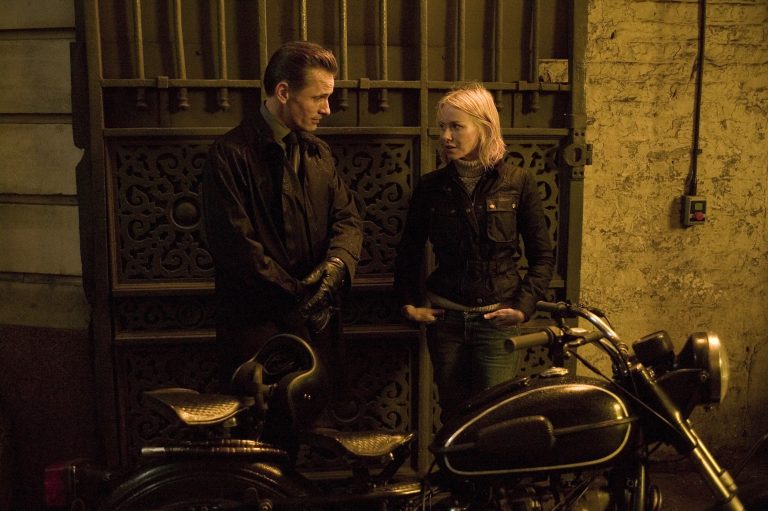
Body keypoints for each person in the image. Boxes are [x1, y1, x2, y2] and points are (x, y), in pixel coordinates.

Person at [202, 41, 364, 385]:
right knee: (263, 414)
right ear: (284, 92)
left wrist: (337, 266)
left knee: (317, 411)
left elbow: (348, 217)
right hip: (258, 331)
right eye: (318, 98)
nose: (327, 110)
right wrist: (301, 297)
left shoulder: (318, 151)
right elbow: (237, 247)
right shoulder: (230, 154)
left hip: (317, 325)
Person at [394, 82, 554, 421]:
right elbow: (408, 252)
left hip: (496, 323)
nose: (446, 136)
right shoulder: (431, 186)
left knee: (494, 418)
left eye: (456, 126)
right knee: (455, 418)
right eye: (442, 127)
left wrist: (523, 308)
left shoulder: (517, 181)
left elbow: (542, 256)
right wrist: (409, 304)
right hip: (446, 323)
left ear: (484, 127)